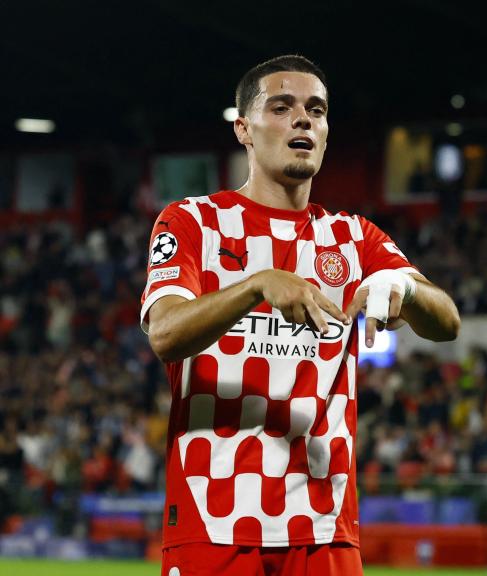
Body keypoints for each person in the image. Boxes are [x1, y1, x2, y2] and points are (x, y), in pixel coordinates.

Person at [140, 55, 460, 576]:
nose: (303, 120)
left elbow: (446, 321)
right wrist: (257, 286)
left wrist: (401, 284)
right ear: (243, 128)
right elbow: (165, 332)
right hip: (214, 520)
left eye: (316, 110)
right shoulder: (194, 222)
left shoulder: (355, 238)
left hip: (324, 526)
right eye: (282, 107)